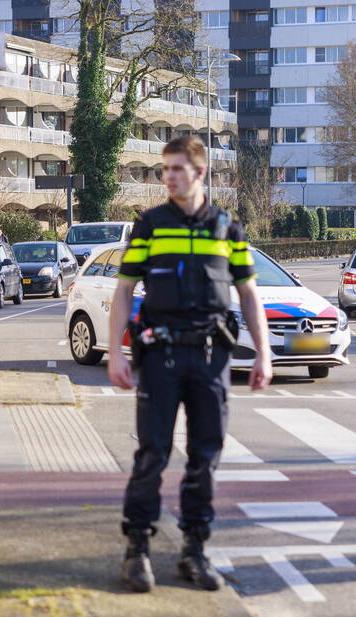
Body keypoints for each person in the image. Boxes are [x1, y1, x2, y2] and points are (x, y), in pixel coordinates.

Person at [107, 135, 272, 593]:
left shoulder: (227, 228)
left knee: (205, 457)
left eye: (176, 169)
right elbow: (123, 292)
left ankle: (194, 550)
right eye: (165, 169)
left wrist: (264, 351)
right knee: (152, 453)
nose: (168, 177)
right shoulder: (150, 226)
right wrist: (116, 352)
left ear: (200, 173)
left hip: (209, 358)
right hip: (159, 355)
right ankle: (137, 549)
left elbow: (248, 294)